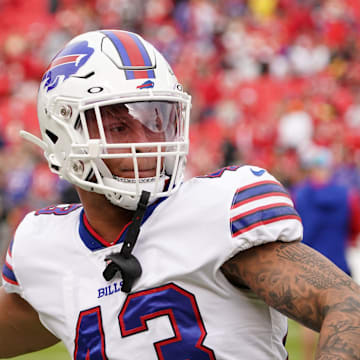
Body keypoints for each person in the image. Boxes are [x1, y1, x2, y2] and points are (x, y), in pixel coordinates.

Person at [1, 30, 360, 360]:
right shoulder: (45, 249)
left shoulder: (217, 212)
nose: (145, 144)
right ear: (61, 135)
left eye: (157, 121)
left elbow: (346, 304)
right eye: (118, 127)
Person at [292, 146, 360, 359]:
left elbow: (292, 228)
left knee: (308, 322)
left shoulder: (299, 195)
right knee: (339, 321)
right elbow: (354, 229)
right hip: (338, 264)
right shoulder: (347, 197)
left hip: (308, 264)